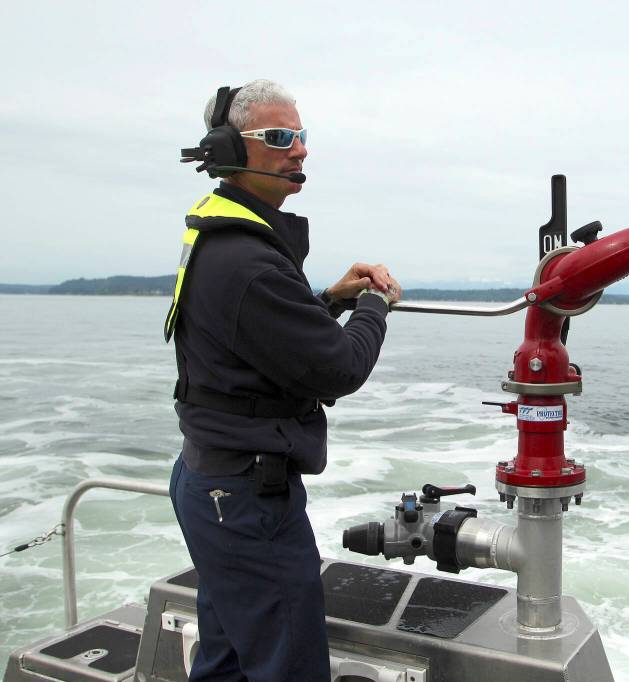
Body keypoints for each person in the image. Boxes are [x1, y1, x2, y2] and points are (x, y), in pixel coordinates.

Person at [166, 79, 400, 681]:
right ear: (229, 149)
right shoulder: (250, 261)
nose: (299, 150)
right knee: (288, 666)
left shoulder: (227, 242)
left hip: (210, 482)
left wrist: (332, 299)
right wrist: (375, 305)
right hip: (245, 502)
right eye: (278, 137)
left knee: (225, 660)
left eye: (300, 135)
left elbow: (261, 345)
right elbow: (337, 368)